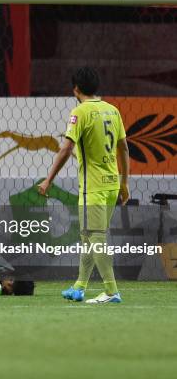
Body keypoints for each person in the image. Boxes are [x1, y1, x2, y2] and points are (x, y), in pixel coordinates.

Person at [38, 66, 129, 304]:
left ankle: (111, 291)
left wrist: (49, 180)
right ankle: (80, 286)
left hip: (94, 189)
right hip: (111, 185)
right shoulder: (113, 110)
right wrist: (125, 182)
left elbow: (66, 148)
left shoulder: (80, 112)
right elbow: (124, 148)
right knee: (89, 236)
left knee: (95, 238)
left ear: (75, 89)